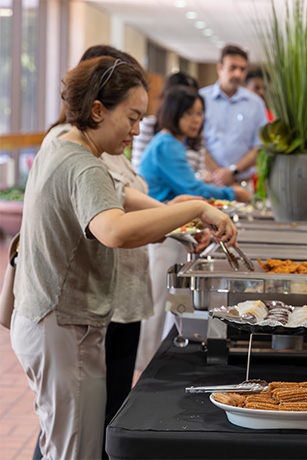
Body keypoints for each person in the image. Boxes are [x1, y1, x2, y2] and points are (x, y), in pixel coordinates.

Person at [11, 55, 237, 460]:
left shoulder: (61, 145)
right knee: (76, 449)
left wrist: (178, 216)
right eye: (131, 118)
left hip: (45, 320)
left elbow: (120, 204)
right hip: (63, 324)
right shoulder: (83, 164)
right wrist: (197, 208)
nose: (136, 132)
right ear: (98, 109)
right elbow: (113, 230)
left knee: (62, 440)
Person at [136, 85, 250, 372]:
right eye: (189, 113)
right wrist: (236, 193)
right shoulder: (166, 144)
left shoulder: (175, 143)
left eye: (200, 113)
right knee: (156, 306)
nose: (196, 119)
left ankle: (153, 366)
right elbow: (192, 189)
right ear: (173, 113)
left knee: (166, 305)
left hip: (170, 230)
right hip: (161, 233)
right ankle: (147, 372)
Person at [199, 45, 268, 184]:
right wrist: (219, 174)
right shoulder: (201, 99)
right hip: (207, 181)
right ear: (220, 68)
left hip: (241, 182)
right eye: (233, 68)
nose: (238, 74)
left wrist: (232, 171)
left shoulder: (256, 103)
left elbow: (260, 145)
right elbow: (195, 142)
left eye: (242, 69)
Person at [130, 71, 207, 177]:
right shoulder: (163, 139)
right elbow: (139, 170)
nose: (196, 119)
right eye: (188, 111)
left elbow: (199, 171)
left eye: (198, 113)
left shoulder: (195, 131)